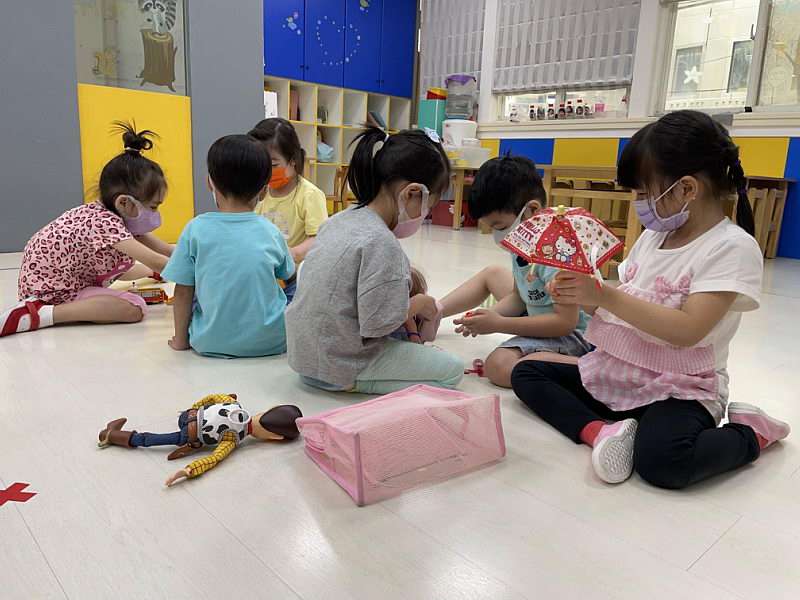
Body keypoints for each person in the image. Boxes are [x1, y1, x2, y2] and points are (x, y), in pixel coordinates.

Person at [512, 110, 790, 488]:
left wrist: (604, 295)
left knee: (664, 464)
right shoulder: (654, 237)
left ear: (686, 189)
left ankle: (751, 432)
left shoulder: (730, 248)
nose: (639, 202)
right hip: (623, 372)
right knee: (528, 372)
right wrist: (581, 295)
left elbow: (689, 330)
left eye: (644, 193)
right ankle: (601, 432)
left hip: (681, 387)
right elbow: (623, 306)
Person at [285, 126, 463, 394]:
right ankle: (356, 384)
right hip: (338, 367)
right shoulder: (382, 242)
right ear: (411, 193)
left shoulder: (337, 221)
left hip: (303, 362)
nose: (425, 214)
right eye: (429, 205)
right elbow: (378, 324)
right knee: (452, 370)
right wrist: (418, 304)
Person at [1, 123, 173, 337]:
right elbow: (156, 259)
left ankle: (149, 275)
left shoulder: (114, 214)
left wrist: (163, 268)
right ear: (124, 202)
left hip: (58, 278)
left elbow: (165, 251)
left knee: (119, 267)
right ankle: (40, 314)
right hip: (52, 291)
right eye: (153, 206)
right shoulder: (104, 223)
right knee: (134, 308)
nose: (155, 213)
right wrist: (200, 274)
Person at [443, 156, 592, 388]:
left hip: (574, 335)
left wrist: (498, 324)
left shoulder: (557, 251)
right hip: (539, 311)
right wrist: (484, 317)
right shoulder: (525, 239)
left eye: (500, 227)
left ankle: (594, 370)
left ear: (531, 210)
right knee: (492, 273)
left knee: (498, 365)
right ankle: (435, 311)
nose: (497, 235)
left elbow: (565, 323)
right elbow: (518, 297)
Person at [162, 134, 294, 358]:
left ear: (209, 182)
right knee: (295, 283)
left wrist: (181, 341)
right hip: (273, 341)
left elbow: (183, 291)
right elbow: (288, 276)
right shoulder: (270, 230)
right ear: (264, 191)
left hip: (209, 341)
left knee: (195, 287)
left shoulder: (195, 228)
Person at [248, 118, 328, 303]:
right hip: (267, 271)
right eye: (262, 164)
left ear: (292, 160)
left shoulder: (308, 195)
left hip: (298, 274)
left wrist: (293, 253)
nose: (267, 171)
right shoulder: (259, 192)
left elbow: (319, 238)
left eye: (273, 165)